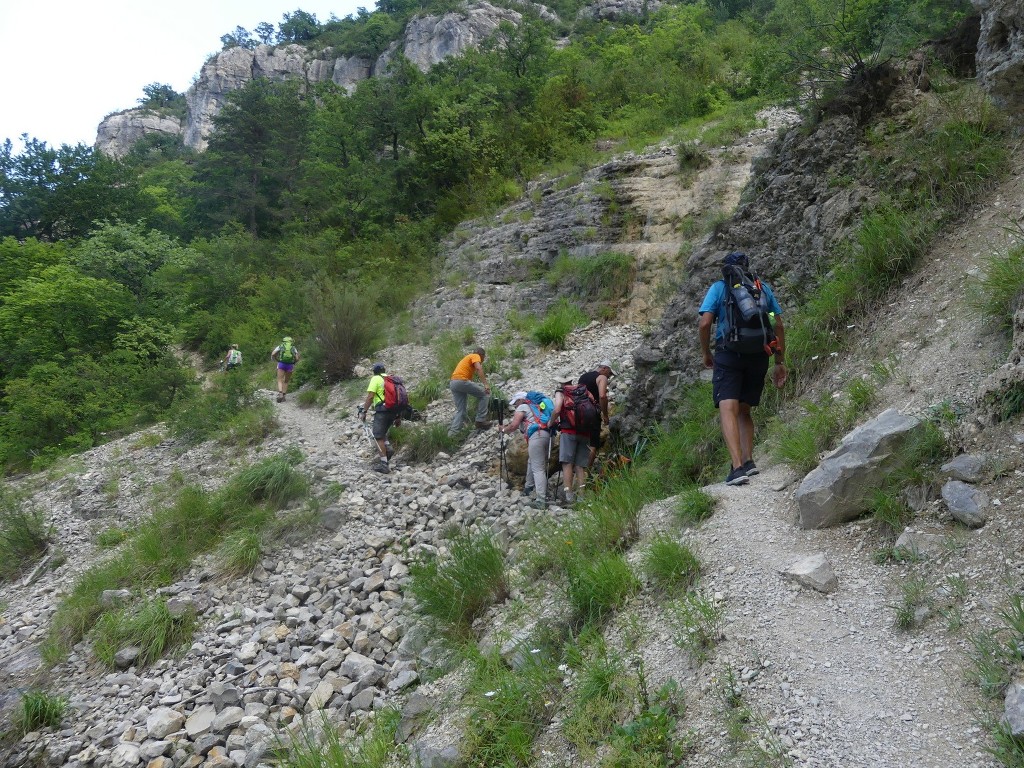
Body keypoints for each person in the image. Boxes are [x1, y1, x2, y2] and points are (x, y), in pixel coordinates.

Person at [698, 252, 786, 486]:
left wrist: (706, 352)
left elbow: (705, 322)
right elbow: (777, 323)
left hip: (730, 353)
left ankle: (737, 468)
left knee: (728, 408)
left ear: (724, 269)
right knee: (745, 410)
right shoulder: (761, 287)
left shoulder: (719, 288)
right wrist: (779, 361)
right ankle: (749, 461)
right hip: (759, 354)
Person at [498, 392, 552, 509]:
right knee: (532, 461)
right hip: (546, 435)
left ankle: (541, 500)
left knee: (538, 468)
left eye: (516, 402)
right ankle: (529, 487)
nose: (515, 405)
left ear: (521, 400)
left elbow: (513, 426)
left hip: (536, 436)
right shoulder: (537, 407)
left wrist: (503, 430)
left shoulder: (523, 407)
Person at [552, 372, 591, 505]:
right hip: (585, 432)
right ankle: (582, 496)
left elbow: (557, 409)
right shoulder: (582, 391)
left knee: (567, 463)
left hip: (568, 431)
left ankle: (568, 496)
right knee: (580, 466)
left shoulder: (560, 392)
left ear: (561, 382)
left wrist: (551, 422)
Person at [360, 362, 397, 474]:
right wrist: (398, 416)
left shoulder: (375, 379)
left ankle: (384, 464)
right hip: (394, 411)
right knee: (382, 433)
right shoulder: (391, 378)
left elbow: (371, 397)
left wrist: (364, 411)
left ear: (374, 371)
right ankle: (388, 449)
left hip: (382, 411)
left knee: (377, 437)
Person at [578, 360, 614, 468]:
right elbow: (602, 396)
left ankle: (577, 472)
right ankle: (585, 473)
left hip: (578, 413)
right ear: (604, 368)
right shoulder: (602, 378)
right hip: (592, 413)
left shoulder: (583, 377)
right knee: (593, 443)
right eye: (610, 373)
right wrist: (605, 415)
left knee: (581, 442)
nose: (609, 376)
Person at [448, 347, 492, 436]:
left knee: (461, 410)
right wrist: (486, 384)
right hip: (461, 381)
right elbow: (479, 369)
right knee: (485, 394)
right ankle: (480, 421)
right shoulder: (475, 355)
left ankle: (452, 434)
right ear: (481, 355)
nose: (482, 360)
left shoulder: (467, 358)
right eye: (483, 358)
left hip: (453, 382)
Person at [271, 336, 300, 403]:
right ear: (291, 341)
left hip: (281, 364)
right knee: (286, 381)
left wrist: (276, 359)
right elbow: (297, 358)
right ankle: (284, 396)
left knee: (279, 380)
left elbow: (273, 354)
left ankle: (280, 393)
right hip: (290, 365)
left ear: (283, 341)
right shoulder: (293, 348)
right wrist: (294, 362)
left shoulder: (280, 346)